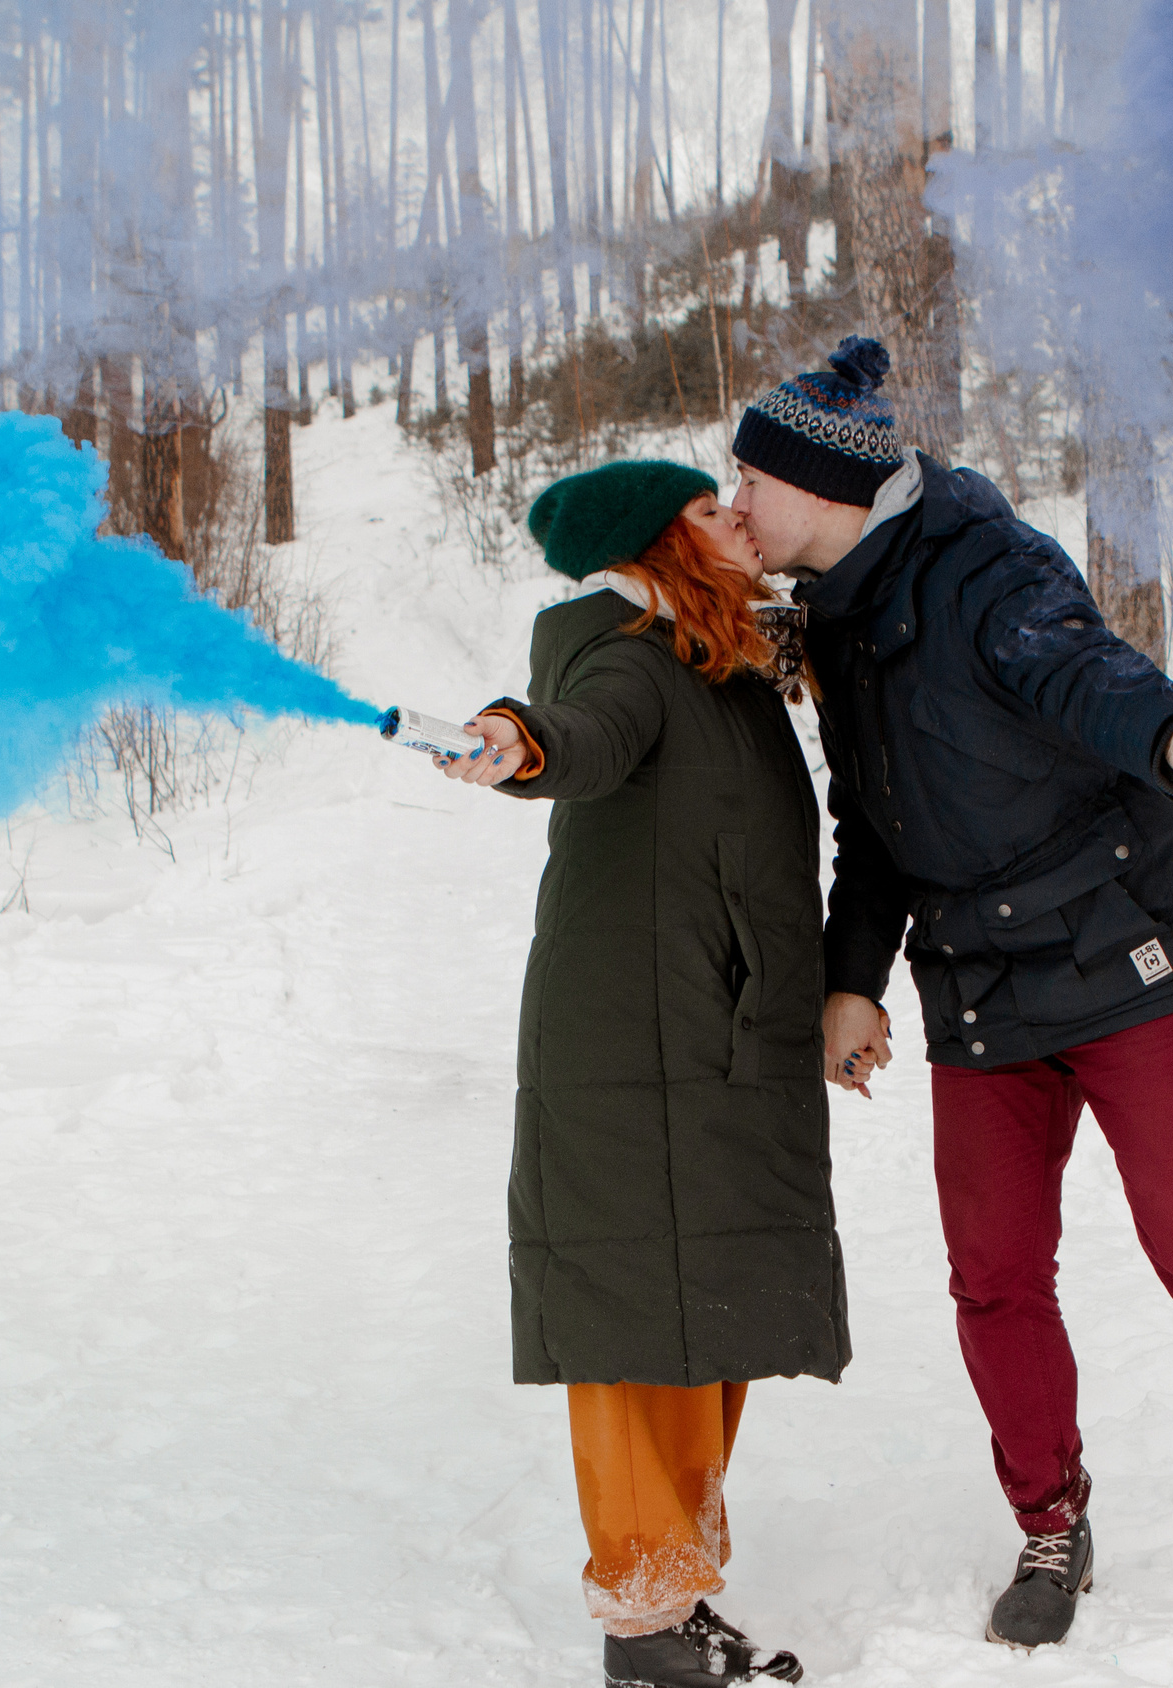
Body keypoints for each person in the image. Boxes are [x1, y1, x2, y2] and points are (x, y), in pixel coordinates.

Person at [727, 338, 1173, 1650]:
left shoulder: (988, 566)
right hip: (978, 982)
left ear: (824, 488)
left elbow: (1078, 668)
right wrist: (851, 979)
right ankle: (1050, 1522)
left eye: (748, 480)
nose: (733, 505)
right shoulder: (840, 620)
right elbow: (875, 820)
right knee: (995, 1274)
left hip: (1122, 949)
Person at [438, 460, 840, 1688]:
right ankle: (642, 1616)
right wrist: (518, 740)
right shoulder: (623, 652)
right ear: (658, 547)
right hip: (633, 1043)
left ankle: (675, 1585)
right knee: (634, 1322)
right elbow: (581, 732)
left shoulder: (709, 651)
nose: (739, 521)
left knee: (703, 1320)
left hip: (715, 1029)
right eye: (712, 513)